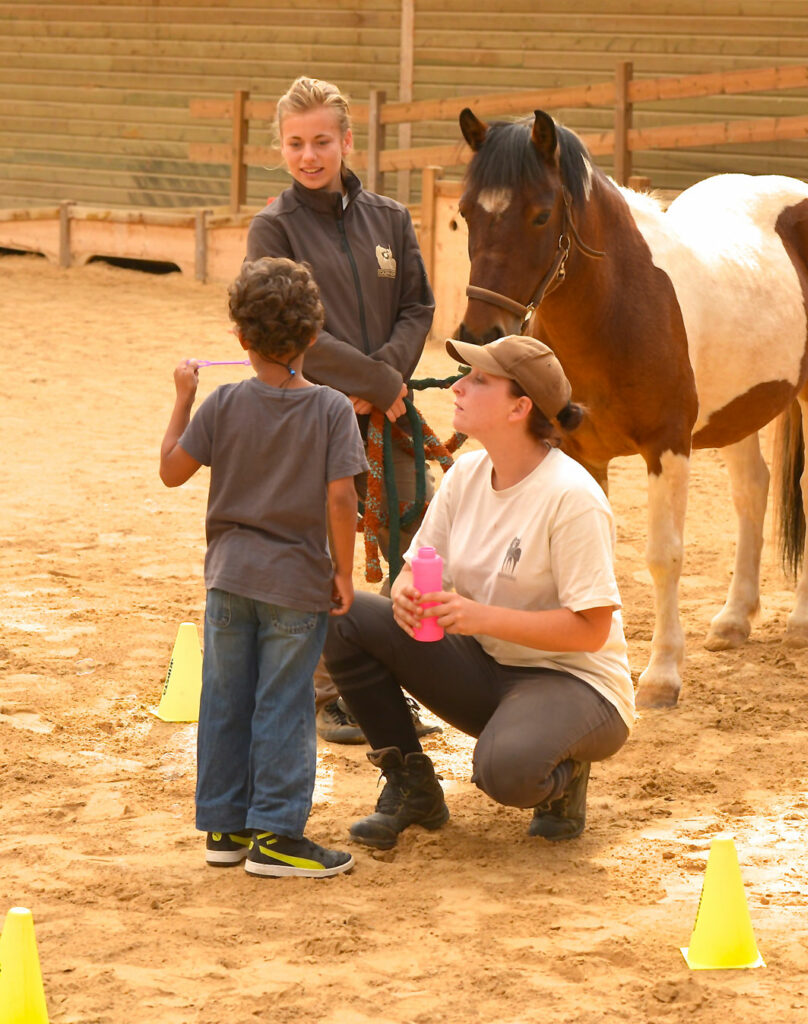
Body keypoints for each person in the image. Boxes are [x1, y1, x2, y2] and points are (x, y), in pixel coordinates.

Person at [322, 335, 635, 847]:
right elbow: (416, 565)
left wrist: (478, 617)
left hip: (575, 683)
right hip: (488, 665)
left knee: (505, 773)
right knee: (346, 617)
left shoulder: (573, 497)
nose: (458, 385)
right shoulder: (465, 473)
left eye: (479, 380)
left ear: (520, 407)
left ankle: (565, 778)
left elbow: (593, 629)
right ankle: (412, 786)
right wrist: (404, 592)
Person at [245, 74, 439, 745]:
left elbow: (419, 306)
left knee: (419, 540)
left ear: (346, 141)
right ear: (281, 149)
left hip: (390, 416)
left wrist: (387, 378)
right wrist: (371, 382)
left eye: (321, 141)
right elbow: (285, 328)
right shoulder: (273, 228)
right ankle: (333, 691)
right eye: (295, 144)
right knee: (317, 550)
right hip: (311, 418)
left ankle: (416, 678)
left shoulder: (391, 218)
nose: (309, 155)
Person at [159, 256, 368, 878]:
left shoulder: (221, 405)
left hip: (228, 580)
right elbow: (341, 498)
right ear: (310, 338)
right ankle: (277, 837)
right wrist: (343, 572)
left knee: (225, 697)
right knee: (283, 702)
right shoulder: (331, 409)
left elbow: (171, 470)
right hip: (296, 585)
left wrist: (182, 397)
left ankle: (225, 828)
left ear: (241, 339)